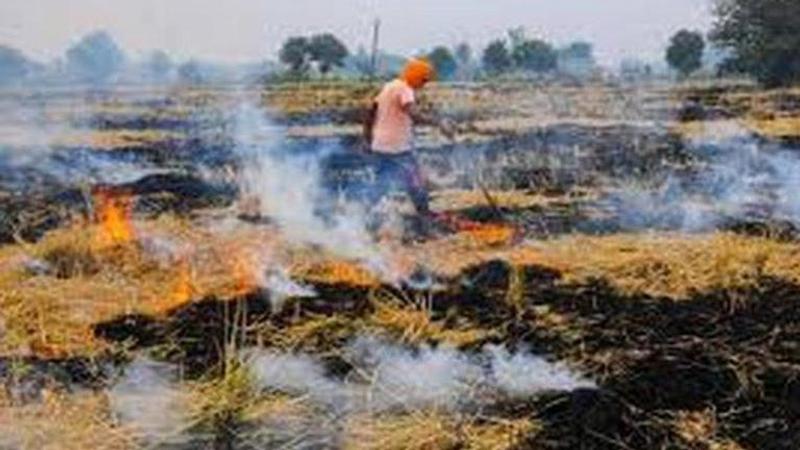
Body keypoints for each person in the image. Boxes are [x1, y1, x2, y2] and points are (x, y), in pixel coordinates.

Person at [362, 58, 455, 237]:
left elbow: (370, 111)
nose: (424, 85)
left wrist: (367, 139)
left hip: (380, 146)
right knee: (416, 185)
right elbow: (412, 112)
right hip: (397, 149)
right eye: (423, 80)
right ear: (415, 76)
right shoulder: (405, 89)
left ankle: (358, 217)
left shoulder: (389, 86)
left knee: (381, 185)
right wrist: (439, 123)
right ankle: (426, 225)